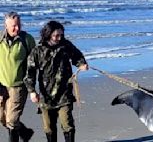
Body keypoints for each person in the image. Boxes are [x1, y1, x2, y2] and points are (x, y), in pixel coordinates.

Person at [24, 21, 88, 142]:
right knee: (49, 127)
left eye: (61, 35)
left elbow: (77, 56)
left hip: (65, 94)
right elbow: (30, 72)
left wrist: (82, 64)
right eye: (56, 35)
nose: (59, 38)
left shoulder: (66, 45)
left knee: (67, 124)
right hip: (46, 96)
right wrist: (32, 91)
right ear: (48, 34)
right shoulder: (38, 50)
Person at [0, 11, 36, 142]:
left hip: (19, 86)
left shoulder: (27, 40)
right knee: (2, 119)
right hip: (1, 85)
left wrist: (32, 89)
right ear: (6, 25)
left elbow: (34, 65)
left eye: (19, 25)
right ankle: (25, 133)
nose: (17, 28)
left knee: (12, 120)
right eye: (14, 26)